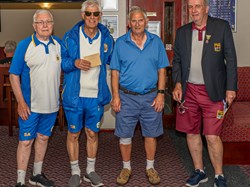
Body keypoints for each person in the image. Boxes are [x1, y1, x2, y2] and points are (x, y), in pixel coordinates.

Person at [172, 0, 237, 187]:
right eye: (191, 7)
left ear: (206, 9)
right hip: (189, 91)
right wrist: (177, 84)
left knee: (211, 136)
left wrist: (231, 88)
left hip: (214, 92)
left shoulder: (221, 27)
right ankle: (199, 170)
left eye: (197, 6)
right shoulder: (182, 32)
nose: (194, 10)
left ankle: (219, 175)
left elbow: (231, 59)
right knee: (191, 133)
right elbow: (176, 61)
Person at [110, 6, 169, 186]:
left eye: (140, 20)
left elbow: (162, 70)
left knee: (150, 134)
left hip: (151, 97)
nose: (137, 24)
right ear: (129, 24)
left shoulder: (156, 42)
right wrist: (116, 96)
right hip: (126, 97)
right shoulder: (120, 43)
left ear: (146, 22)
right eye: (133, 21)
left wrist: (160, 95)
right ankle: (126, 167)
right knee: (125, 135)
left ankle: (150, 167)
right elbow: (114, 73)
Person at [61, 0, 114, 186]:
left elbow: (113, 63)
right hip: (75, 97)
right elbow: (63, 63)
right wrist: (74, 63)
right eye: (89, 14)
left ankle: (90, 171)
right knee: (74, 134)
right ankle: (75, 171)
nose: (92, 17)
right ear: (83, 15)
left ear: (100, 16)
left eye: (96, 14)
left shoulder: (107, 38)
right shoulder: (70, 37)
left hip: (96, 96)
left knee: (92, 133)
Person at [9, 9, 61, 187]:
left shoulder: (58, 44)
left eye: (48, 22)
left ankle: (36, 175)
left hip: (52, 105)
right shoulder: (25, 45)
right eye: (41, 22)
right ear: (34, 26)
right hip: (30, 106)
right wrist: (21, 102)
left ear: (53, 25)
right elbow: (13, 75)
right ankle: (20, 181)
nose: (45, 25)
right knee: (25, 141)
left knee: (43, 138)